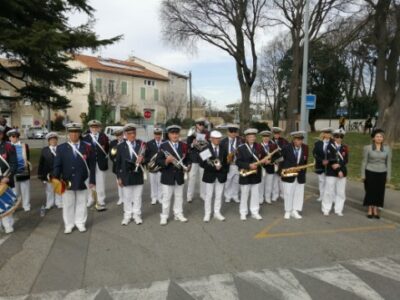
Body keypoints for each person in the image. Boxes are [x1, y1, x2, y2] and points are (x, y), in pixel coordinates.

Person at [53, 123, 96, 233]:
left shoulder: (87, 146)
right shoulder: (61, 148)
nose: (74, 134)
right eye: (71, 132)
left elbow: (92, 165)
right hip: (67, 181)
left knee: (82, 202)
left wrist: (92, 180)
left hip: (83, 179)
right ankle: (69, 224)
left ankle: (80, 222)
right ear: (68, 134)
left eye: (76, 132)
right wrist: (55, 179)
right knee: (68, 203)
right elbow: (57, 165)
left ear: (79, 133)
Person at [156, 125, 191, 225]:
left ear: (179, 134)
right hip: (168, 175)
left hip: (179, 175)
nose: (175, 135)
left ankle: (178, 214)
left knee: (179, 196)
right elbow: (158, 161)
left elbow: (188, 158)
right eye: (172, 133)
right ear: (169, 135)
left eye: (176, 133)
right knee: (166, 197)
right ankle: (164, 216)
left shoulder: (183, 145)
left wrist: (188, 165)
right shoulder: (163, 146)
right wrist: (166, 161)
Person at [115, 124, 146, 226]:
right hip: (126, 175)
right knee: (127, 197)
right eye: (130, 133)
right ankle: (127, 216)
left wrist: (143, 159)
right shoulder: (120, 146)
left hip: (138, 174)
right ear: (125, 134)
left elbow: (147, 160)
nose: (132, 135)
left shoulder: (141, 144)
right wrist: (118, 177)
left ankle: (137, 215)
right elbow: (117, 164)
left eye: (134, 133)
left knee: (137, 197)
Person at [236, 128, 266, 221]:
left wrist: (266, 161)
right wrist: (249, 165)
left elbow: (264, 158)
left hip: (256, 174)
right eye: (250, 137)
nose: (252, 138)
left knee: (255, 194)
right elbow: (238, 162)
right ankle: (243, 212)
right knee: (244, 194)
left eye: (253, 137)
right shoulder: (241, 148)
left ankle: (255, 212)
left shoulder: (260, 147)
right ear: (246, 138)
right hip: (246, 173)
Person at [361, 129, 392, 219]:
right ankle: (370, 209)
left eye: (381, 137)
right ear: (373, 138)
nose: (379, 138)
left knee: (379, 192)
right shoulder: (367, 148)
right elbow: (364, 162)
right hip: (370, 171)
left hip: (382, 172)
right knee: (370, 191)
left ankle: (376, 209)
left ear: (383, 138)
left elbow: (389, 163)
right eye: (377, 136)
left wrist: (388, 175)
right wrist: (363, 175)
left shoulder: (387, 148)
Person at [200, 130, 229, 222]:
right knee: (208, 195)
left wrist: (222, 169)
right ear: (211, 139)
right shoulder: (206, 148)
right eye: (216, 139)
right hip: (210, 175)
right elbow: (202, 163)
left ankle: (217, 212)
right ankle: (207, 214)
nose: (218, 140)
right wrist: (214, 167)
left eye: (219, 139)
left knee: (219, 195)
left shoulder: (223, 148)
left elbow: (227, 162)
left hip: (221, 175)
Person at [280, 131, 309, 220]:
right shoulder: (286, 148)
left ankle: (295, 210)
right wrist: (286, 170)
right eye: (297, 140)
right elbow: (281, 160)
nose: (299, 142)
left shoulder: (305, 148)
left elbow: (305, 161)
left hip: (300, 175)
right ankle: (288, 211)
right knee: (288, 193)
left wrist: (303, 170)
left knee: (298, 193)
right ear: (293, 139)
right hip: (289, 174)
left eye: (301, 140)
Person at [83, 120, 109, 210]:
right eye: (92, 127)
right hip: (89, 164)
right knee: (89, 182)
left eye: (96, 127)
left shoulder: (104, 137)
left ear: (99, 128)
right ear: (90, 128)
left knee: (100, 183)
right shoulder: (86, 138)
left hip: (100, 163)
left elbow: (107, 149)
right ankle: (90, 199)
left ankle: (101, 200)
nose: (94, 129)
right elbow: (83, 150)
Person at [321, 129, 349, 216]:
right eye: (337, 136)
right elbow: (331, 160)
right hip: (331, 172)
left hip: (342, 172)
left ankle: (338, 209)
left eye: (341, 137)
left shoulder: (345, 147)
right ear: (334, 137)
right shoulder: (329, 146)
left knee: (341, 192)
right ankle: (326, 208)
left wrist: (340, 168)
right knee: (329, 191)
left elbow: (346, 160)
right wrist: (338, 170)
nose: (339, 138)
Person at [186, 118, 209, 202]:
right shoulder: (191, 133)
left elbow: (208, 145)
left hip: (203, 157)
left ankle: (202, 194)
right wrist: (193, 144)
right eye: (200, 124)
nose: (201, 126)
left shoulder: (206, 133)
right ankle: (189, 196)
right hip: (194, 158)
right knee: (192, 177)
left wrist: (206, 142)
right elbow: (188, 145)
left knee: (203, 177)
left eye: (203, 124)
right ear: (196, 125)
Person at [8, 129, 31, 212]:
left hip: (23, 171)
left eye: (16, 136)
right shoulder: (7, 146)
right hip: (12, 172)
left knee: (25, 190)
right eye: (12, 136)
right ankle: (14, 207)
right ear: (9, 138)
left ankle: (26, 205)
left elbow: (27, 158)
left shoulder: (24, 145)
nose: (14, 138)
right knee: (14, 191)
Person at [38, 132, 62, 209]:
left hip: (59, 173)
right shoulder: (44, 150)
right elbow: (41, 163)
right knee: (49, 189)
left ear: (57, 140)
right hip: (49, 174)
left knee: (58, 188)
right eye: (51, 140)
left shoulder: (61, 149)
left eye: (55, 139)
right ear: (48, 141)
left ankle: (59, 202)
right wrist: (41, 175)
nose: (53, 141)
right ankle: (49, 203)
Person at [0, 126, 18, 234]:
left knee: (6, 203)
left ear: (2, 135)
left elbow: (14, 164)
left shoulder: (8, 146)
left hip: (5, 180)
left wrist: (7, 177)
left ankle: (8, 224)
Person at [220, 123, 242, 203]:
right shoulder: (223, 142)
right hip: (228, 164)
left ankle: (235, 195)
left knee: (237, 181)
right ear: (228, 132)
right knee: (228, 180)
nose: (233, 133)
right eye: (231, 131)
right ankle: (228, 195)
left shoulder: (241, 140)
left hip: (237, 164)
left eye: (235, 131)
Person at [258, 130, 279, 205]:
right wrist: (263, 161)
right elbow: (256, 157)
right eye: (264, 136)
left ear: (269, 137)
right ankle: (260, 198)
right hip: (262, 167)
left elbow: (277, 156)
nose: (266, 138)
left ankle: (267, 197)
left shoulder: (273, 145)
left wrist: (270, 161)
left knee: (269, 183)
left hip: (270, 167)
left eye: (267, 136)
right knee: (261, 183)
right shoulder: (258, 145)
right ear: (262, 137)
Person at [312, 128, 333, 202]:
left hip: (330, 165)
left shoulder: (333, 143)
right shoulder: (318, 143)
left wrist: (329, 161)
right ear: (323, 134)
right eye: (326, 133)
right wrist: (321, 161)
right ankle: (321, 196)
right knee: (321, 181)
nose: (328, 134)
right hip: (320, 165)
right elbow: (314, 154)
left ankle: (329, 197)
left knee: (329, 182)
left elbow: (335, 155)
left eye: (329, 133)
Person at [145, 127, 164, 205]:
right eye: (156, 134)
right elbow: (146, 155)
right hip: (152, 167)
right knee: (153, 183)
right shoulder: (149, 143)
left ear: (161, 135)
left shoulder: (165, 143)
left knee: (160, 183)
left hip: (161, 167)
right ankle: (153, 197)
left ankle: (160, 197)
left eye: (159, 134)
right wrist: (149, 164)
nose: (158, 136)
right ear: (154, 135)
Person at [271, 127, 288, 201]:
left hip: (282, 162)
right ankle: (275, 194)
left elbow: (287, 152)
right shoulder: (270, 141)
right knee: (274, 180)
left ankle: (282, 194)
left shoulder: (284, 141)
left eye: (278, 133)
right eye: (275, 133)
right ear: (273, 133)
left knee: (282, 179)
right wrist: (274, 160)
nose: (276, 135)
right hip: (273, 162)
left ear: (280, 134)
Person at [109, 128, 125, 206]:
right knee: (119, 182)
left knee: (126, 182)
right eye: (118, 135)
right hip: (117, 166)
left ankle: (126, 198)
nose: (119, 136)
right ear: (116, 136)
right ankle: (121, 198)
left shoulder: (126, 141)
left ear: (123, 134)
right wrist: (115, 160)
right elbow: (111, 154)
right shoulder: (113, 143)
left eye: (121, 135)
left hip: (126, 165)